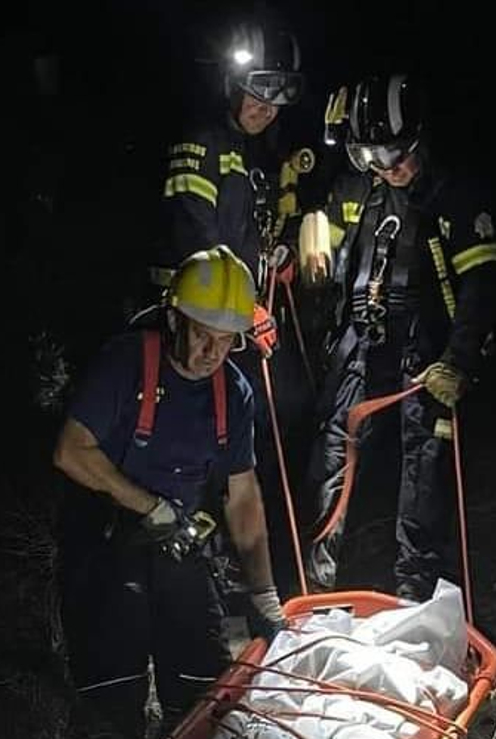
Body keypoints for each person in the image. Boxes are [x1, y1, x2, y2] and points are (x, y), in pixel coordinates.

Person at [54, 245, 285, 739]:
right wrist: (149, 506)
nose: (211, 354)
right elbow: (71, 451)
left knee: (204, 692)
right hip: (109, 543)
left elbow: (242, 496)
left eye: (226, 342)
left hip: (179, 543)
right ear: (174, 316)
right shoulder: (127, 364)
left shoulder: (234, 392)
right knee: (110, 694)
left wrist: (264, 592)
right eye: (202, 334)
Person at [297, 72, 496, 599]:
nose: (390, 170)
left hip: (426, 350)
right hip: (361, 343)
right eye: (375, 158)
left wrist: (459, 361)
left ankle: (417, 594)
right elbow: (321, 214)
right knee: (330, 453)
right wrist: (310, 238)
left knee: (426, 470)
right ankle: (311, 585)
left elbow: (482, 281)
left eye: (399, 156)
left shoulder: (452, 195)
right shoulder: (360, 188)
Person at [149, 17, 317, 599]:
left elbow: (250, 235)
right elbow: (196, 241)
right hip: (198, 331)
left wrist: (279, 260)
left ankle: (261, 575)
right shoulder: (201, 143)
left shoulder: (251, 153)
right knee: (205, 445)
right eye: (258, 93)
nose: (266, 109)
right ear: (232, 82)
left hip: (238, 331)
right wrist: (245, 311)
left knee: (271, 423)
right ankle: (202, 576)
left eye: (278, 99)